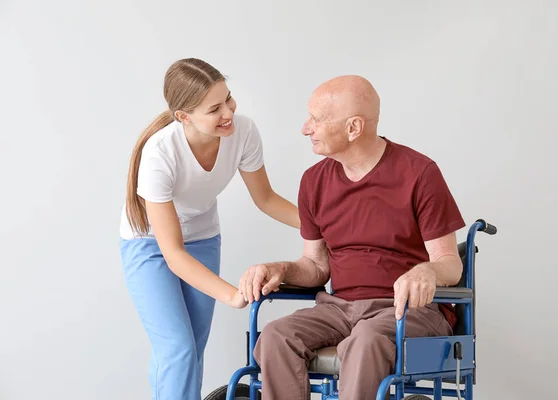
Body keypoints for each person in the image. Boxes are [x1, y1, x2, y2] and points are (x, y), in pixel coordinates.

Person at [238, 75, 466, 400]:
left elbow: (449, 264)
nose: (306, 128)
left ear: (353, 128)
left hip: (406, 310)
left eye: (316, 119)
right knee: (276, 335)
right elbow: (316, 266)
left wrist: (426, 271)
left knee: (366, 338)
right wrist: (282, 269)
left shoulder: (418, 173)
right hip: (339, 308)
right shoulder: (314, 182)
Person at [119, 58, 300, 400]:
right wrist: (232, 294)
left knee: (190, 350)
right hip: (149, 244)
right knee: (177, 348)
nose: (228, 112)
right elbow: (172, 253)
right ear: (184, 117)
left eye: (228, 99)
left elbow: (266, 198)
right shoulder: (160, 152)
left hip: (202, 238)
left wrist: (322, 228)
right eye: (214, 109)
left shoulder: (243, 132)